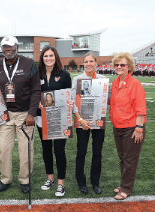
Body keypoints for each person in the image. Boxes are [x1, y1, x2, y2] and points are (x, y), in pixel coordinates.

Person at [0, 36, 41, 193]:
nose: (8, 49)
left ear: (17, 47)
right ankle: (5, 179)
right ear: (1, 49)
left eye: (10, 46)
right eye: (4, 46)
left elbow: (36, 90)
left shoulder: (29, 64)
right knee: (4, 149)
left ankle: (25, 179)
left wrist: (32, 113)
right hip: (4, 115)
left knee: (25, 149)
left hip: (24, 114)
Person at [110, 52, 147, 200]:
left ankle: (126, 188)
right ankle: (124, 183)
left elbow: (141, 109)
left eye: (122, 65)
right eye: (117, 64)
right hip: (118, 126)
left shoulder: (135, 84)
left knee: (130, 160)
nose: (119, 67)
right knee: (123, 158)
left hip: (132, 127)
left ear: (129, 67)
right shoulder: (115, 82)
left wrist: (139, 129)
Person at [36, 46, 71, 197]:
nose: (48, 58)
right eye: (45, 56)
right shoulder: (36, 74)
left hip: (60, 118)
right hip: (41, 117)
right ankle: (50, 178)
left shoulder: (64, 75)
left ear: (55, 57)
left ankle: (61, 183)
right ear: (42, 58)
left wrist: (69, 103)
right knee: (46, 150)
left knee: (59, 150)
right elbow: (33, 93)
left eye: (51, 55)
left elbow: (68, 94)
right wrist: (37, 101)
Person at [71, 52, 108, 195]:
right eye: (86, 62)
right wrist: (80, 119)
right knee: (81, 151)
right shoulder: (77, 79)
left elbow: (105, 100)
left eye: (91, 61)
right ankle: (81, 181)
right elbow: (73, 101)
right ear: (83, 63)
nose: (89, 64)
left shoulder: (103, 79)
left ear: (96, 63)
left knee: (97, 152)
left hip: (98, 120)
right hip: (83, 120)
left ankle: (95, 181)